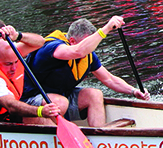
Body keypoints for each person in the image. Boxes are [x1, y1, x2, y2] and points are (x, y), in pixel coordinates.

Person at [20, 16, 149, 128]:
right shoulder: (52, 48)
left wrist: (133, 91)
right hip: (33, 102)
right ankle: (66, 138)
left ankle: (100, 138)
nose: (89, 48)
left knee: (95, 95)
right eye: (87, 43)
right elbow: (78, 51)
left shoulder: (88, 54)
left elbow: (109, 79)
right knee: (60, 103)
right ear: (72, 41)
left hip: (60, 98)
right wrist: (106, 28)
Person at [0, 35, 64, 123]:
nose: (14, 68)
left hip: (4, 113)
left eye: (16, 62)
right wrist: (41, 111)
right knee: (39, 118)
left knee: (59, 104)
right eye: (8, 64)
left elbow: (40, 42)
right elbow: (11, 106)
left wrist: (18, 35)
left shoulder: (9, 53)